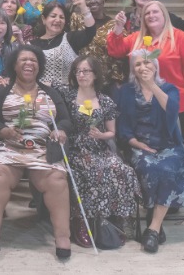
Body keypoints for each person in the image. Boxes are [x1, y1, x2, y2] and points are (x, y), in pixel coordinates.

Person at [0, 45, 75, 260]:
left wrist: (60, 130)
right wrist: (2, 130)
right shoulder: (2, 92)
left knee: (57, 180)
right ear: (14, 65)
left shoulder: (49, 93)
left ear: (39, 66)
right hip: (9, 146)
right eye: (23, 60)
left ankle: (62, 237)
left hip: (42, 147)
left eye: (33, 60)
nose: (29, 63)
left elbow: (65, 119)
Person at [117, 48, 184, 253]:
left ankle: (153, 228)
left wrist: (152, 84)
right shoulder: (125, 91)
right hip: (140, 146)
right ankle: (156, 224)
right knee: (151, 169)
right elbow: (123, 125)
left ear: (156, 66)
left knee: (167, 169)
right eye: (138, 64)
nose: (143, 67)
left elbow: (172, 112)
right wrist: (136, 143)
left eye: (147, 63)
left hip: (170, 146)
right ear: (132, 69)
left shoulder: (170, 89)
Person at [57, 56, 140, 249]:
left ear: (95, 75)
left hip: (100, 147)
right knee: (89, 171)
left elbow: (112, 132)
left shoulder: (105, 100)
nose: (81, 74)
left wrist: (102, 135)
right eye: (78, 71)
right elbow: (46, 85)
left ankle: (115, 219)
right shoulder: (67, 95)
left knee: (121, 170)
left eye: (86, 71)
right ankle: (82, 221)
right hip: (77, 148)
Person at [108, 0, 184, 143]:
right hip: (142, 107)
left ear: (164, 15)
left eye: (155, 12)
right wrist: (118, 28)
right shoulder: (136, 38)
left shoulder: (179, 38)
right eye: (147, 13)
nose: (151, 15)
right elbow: (115, 50)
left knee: (173, 150)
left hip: (174, 105)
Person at [30, 0, 97, 89]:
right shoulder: (32, 45)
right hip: (40, 95)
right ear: (44, 19)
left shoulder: (71, 39)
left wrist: (84, 8)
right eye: (53, 16)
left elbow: (91, 31)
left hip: (67, 96)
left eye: (62, 17)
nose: (58, 20)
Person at [73, 0, 126, 90]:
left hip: (107, 82)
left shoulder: (114, 25)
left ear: (103, 0)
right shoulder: (77, 20)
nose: (92, 1)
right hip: (82, 80)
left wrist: (117, 80)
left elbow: (119, 55)